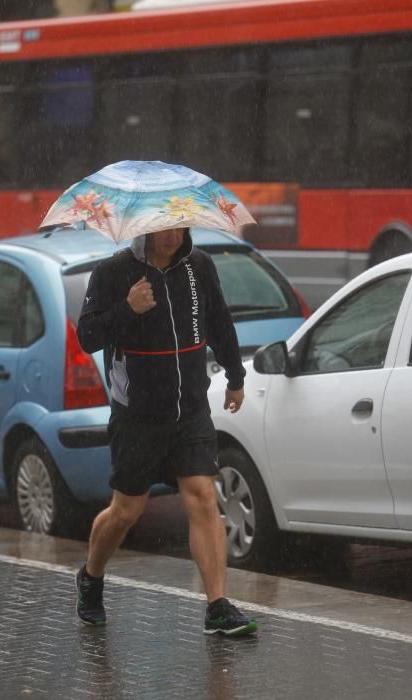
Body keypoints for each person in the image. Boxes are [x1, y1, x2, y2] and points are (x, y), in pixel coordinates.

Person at [75, 226, 258, 636]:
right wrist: (127, 308)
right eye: (164, 229)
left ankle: (217, 606)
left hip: (190, 411)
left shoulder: (199, 267)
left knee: (202, 497)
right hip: (137, 416)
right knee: (127, 511)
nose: (173, 236)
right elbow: (87, 337)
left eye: (180, 226)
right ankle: (91, 576)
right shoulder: (113, 272)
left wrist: (235, 375)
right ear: (144, 229)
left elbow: (220, 322)